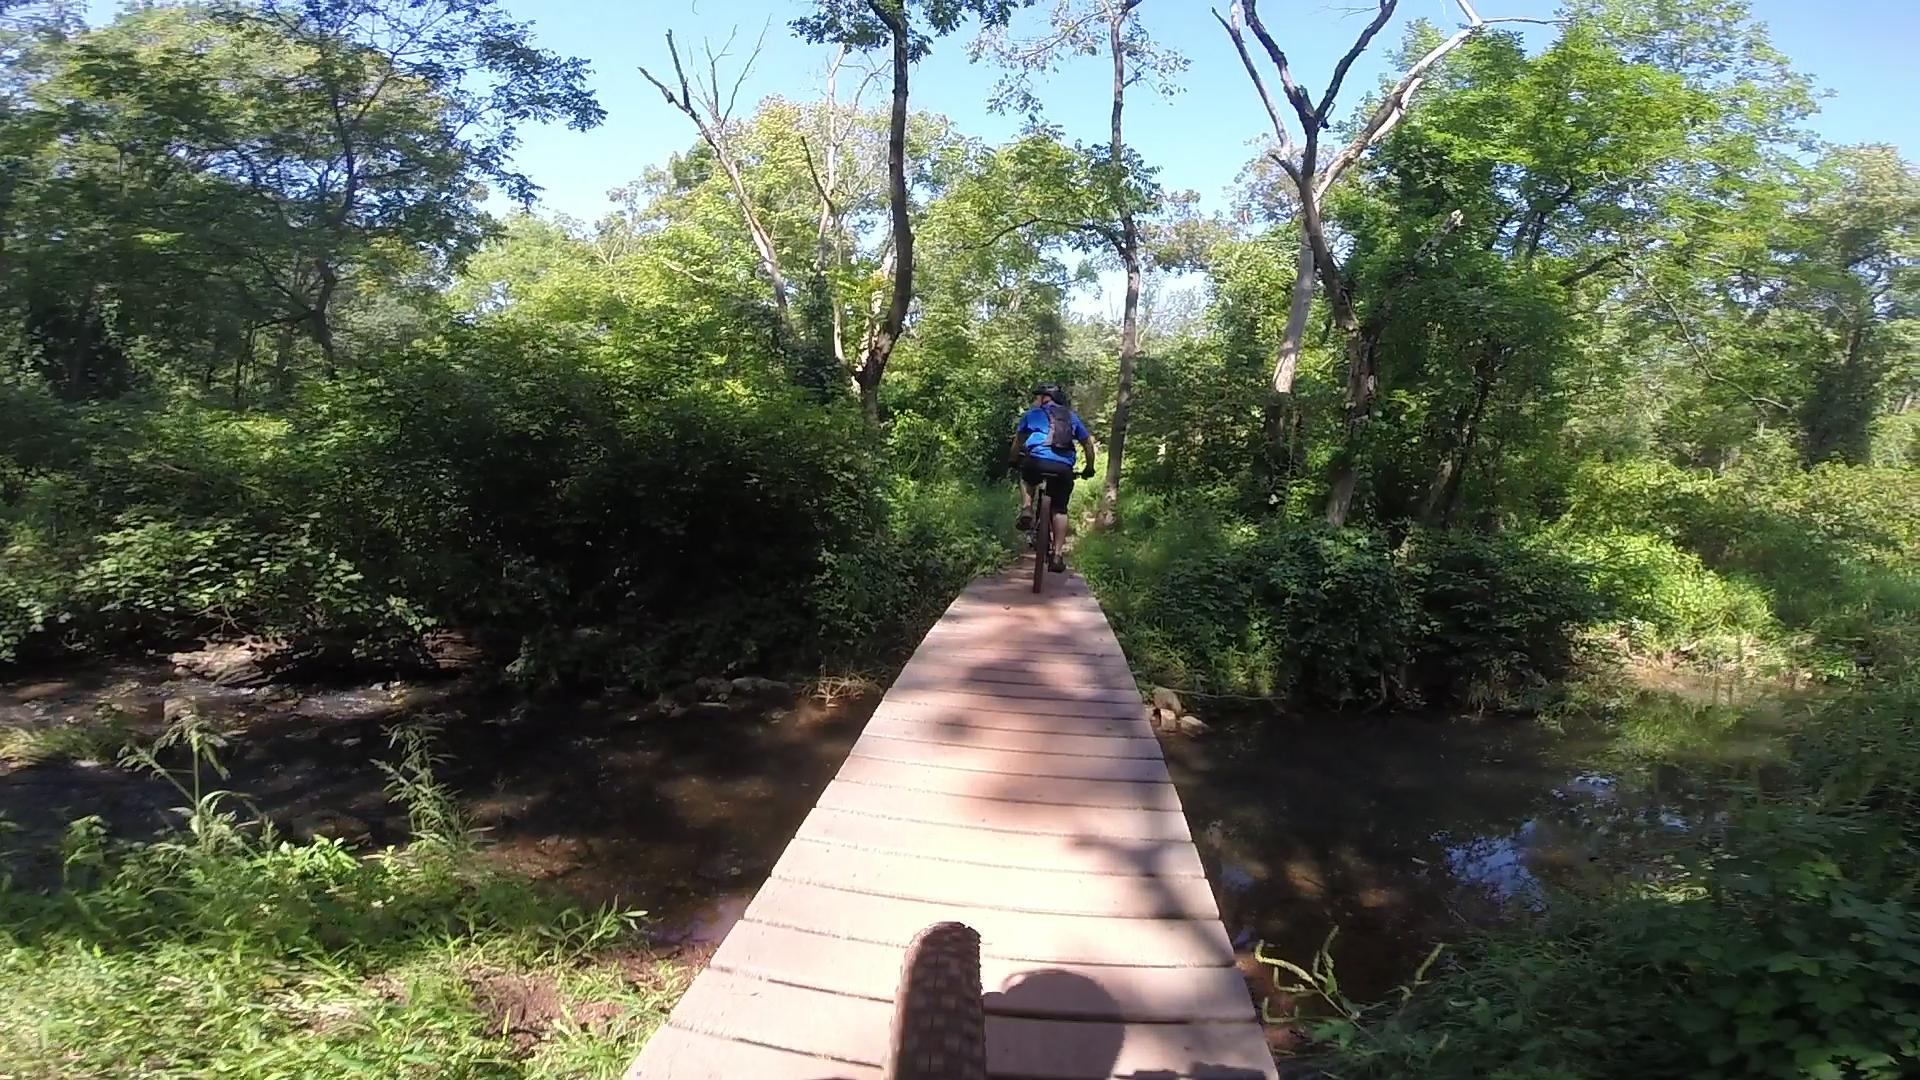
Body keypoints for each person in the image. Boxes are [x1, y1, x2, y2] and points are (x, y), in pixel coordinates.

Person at [1009, 382, 1096, 574]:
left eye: (1037, 397)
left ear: (1044, 398)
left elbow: (1018, 442)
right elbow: (1088, 445)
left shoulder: (1032, 415)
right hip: (1063, 468)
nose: (1035, 401)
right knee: (1060, 509)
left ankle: (1026, 508)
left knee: (1026, 478)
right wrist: (1089, 468)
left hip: (1036, 461)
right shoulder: (1071, 417)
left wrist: (1013, 460)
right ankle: (1057, 555)